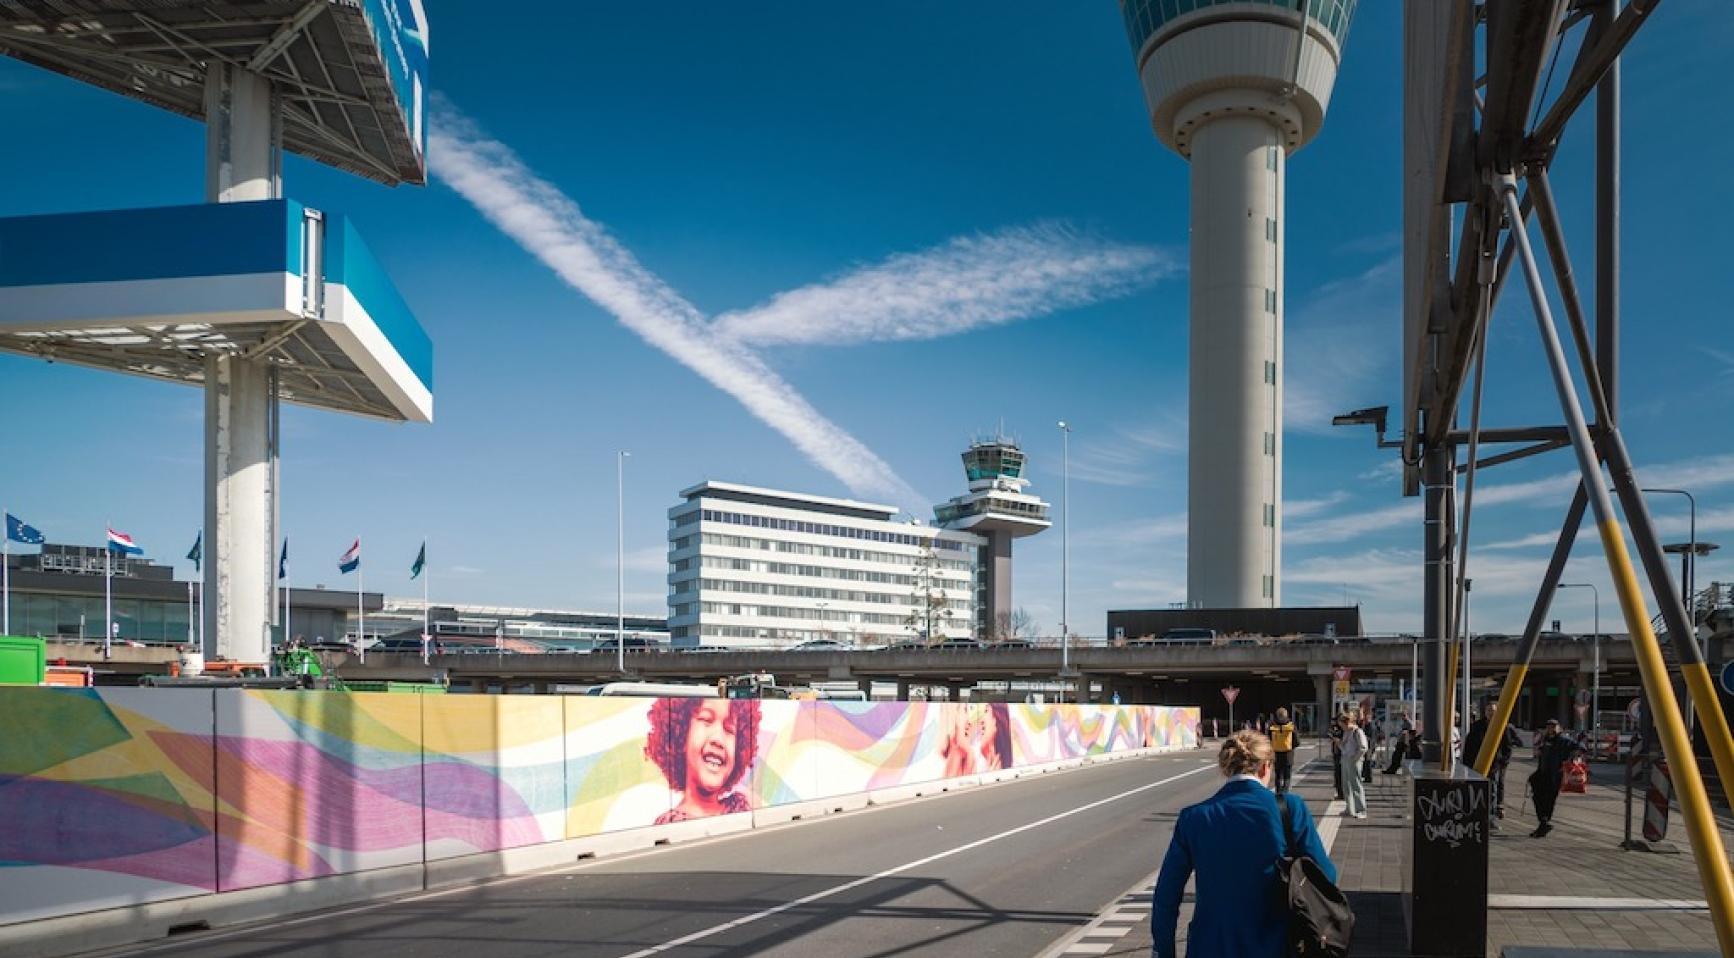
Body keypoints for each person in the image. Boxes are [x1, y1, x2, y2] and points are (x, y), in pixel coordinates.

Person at [1152, 731, 1336, 958]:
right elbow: (1325, 876)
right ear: (1265, 767)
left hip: (1209, 946)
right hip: (1276, 944)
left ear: (1226, 769)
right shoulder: (1290, 809)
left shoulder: (1194, 817)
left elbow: (1166, 896)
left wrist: (1164, 950)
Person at [646, 697, 760, 823]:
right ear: (681, 734)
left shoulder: (743, 808)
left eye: (729, 729)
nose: (718, 739)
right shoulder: (668, 827)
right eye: (706, 720)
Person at [1462, 702, 1521, 820]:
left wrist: (1504, 761)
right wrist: (1466, 763)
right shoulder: (1477, 726)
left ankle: (1490, 817)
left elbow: (1507, 746)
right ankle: (1477, 813)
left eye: (1493, 711)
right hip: (1477, 762)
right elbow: (1469, 745)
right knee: (1478, 788)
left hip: (1495, 764)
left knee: (1493, 788)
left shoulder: (1502, 726)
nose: (1491, 713)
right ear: (1485, 712)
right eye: (1489, 711)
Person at [1528, 718, 1581, 837]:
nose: (1551, 729)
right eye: (1549, 727)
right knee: (1537, 797)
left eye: (1553, 727)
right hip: (1543, 774)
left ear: (1559, 728)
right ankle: (1543, 823)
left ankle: (1543, 824)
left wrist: (1571, 760)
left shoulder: (1564, 740)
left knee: (1548, 801)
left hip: (1555, 775)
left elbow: (1579, 747)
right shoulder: (1546, 739)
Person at [1339, 712, 1368, 819]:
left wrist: (1355, 758)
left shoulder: (1357, 732)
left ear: (1348, 723)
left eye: (1342, 724)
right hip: (1346, 759)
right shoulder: (1346, 732)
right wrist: (1339, 744)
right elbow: (1345, 748)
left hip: (1354, 761)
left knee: (1356, 785)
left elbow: (1363, 747)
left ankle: (1361, 809)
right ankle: (1350, 808)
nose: (1342, 727)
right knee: (1346, 785)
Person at [1268, 707, 1296, 793]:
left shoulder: (1272, 726)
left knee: (1278, 775)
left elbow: (1268, 739)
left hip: (1276, 753)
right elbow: (1297, 741)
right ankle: (1285, 793)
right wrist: (1292, 746)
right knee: (1287, 776)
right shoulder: (1291, 726)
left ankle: (1278, 792)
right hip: (1288, 754)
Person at [1328, 718, 1345, 799]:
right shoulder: (1336, 729)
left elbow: (1341, 741)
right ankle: (1340, 793)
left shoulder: (1344, 731)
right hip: (1337, 753)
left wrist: (1336, 739)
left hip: (1341, 753)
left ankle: (1341, 793)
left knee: (1340, 774)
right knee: (1337, 774)